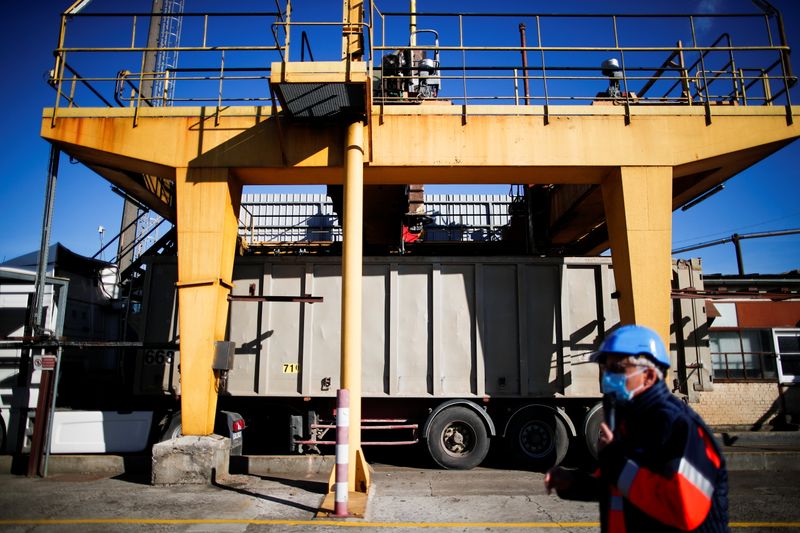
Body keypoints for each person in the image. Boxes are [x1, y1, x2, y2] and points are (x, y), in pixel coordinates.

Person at [544, 324, 729, 532]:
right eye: (605, 369)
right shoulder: (631, 421)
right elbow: (623, 484)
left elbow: (683, 508)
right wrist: (574, 482)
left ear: (649, 376)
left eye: (618, 369)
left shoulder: (675, 424)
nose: (607, 377)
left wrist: (614, 459)